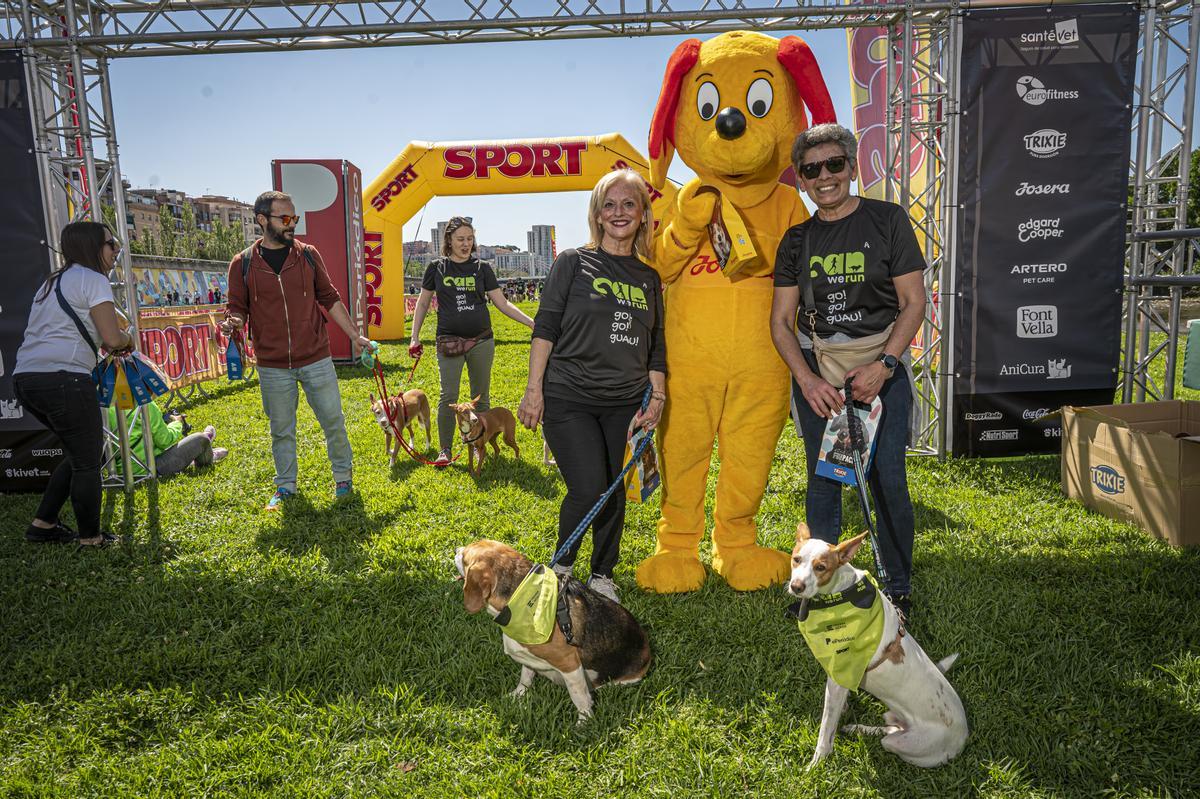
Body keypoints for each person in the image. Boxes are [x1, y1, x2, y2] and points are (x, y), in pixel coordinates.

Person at [769, 123, 926, 617]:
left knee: (887, 480)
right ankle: (816, 587)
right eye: (812, 169)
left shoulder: (888, 220)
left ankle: (897, 585)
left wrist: (884, 365)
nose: (825, 176)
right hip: (821, 371)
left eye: (835, 164)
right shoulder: (796, 241)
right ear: (801, 179)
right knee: (823, 479)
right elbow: (779, 322)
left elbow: (914, 302)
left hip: (882, 367)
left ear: (853, 168)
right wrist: (808, 380)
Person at [518, 170, 667, 604]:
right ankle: (560, 570)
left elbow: (656, 343)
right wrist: (533, 390)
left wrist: (656, 397)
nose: (618, 213)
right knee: (588, 488)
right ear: (597, 215)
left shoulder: (648, 277)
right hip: (569, 397)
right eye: (609, 205)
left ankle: (602, 574)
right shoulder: (573, 262)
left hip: (625, 402)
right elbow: (544, 328)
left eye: (628, 205)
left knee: (615, 487)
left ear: (642, 215)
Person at [221, 190, 372, 510]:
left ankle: (343, 479)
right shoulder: (242, 263)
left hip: (316, 356)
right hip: (272, 364)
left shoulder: (308, 254)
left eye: (295, 218)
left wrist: (355, 336)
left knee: (333, 421)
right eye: (285, 219)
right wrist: (233, 322)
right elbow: (238, 308)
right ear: (262, 220)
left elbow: (329, 297)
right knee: (281, 430)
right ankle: (286, 486)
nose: (292, 225)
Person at [13, 221, 135, 547]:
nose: (116, 251)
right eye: (112, 245)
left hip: (26, 380)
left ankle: (43, 524)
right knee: (87, 461)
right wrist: (128, 337)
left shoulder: (51, 283)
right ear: (93, 247)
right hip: (65, 379)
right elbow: (112, 337)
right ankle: (91, 539)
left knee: (77, 454)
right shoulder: (94, 279)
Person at [409, 217, 534, 467]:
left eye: (469, 239)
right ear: (449, 241)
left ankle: (479, 445)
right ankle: (445, 449)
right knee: (448, 396)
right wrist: (414, 336)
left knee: (480, 397)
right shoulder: (437, 267)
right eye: (460, 239)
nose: (466, 244)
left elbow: (502, 303)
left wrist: (531, 323)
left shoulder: (482, 268)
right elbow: (423, 303)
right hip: (448, 341)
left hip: (481, 340)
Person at [106, 401, 229, 478]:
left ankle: (195, 454)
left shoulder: (101, 404)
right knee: (201, 439)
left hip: (117, 470)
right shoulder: (144, 402)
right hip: (151, 467)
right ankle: (207, 454)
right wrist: (177, 423)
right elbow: (164, 440)